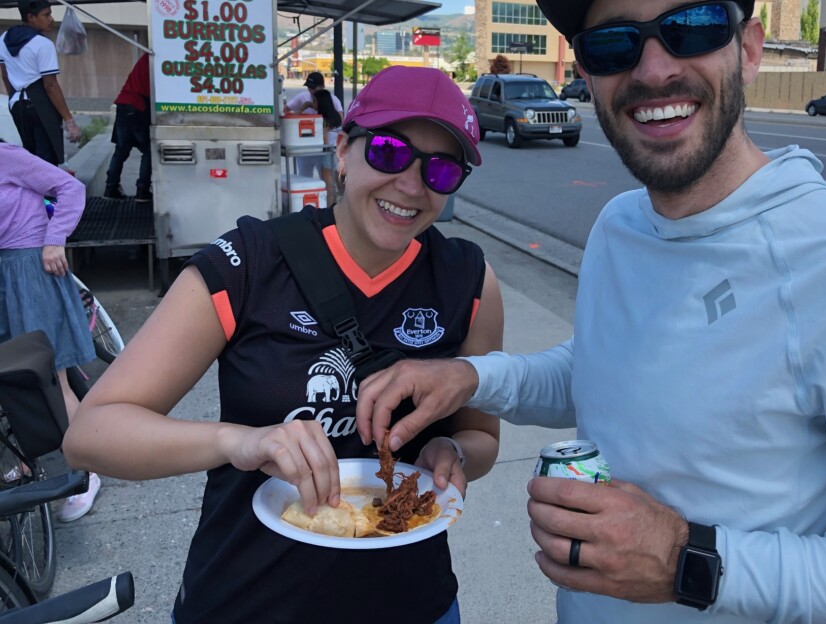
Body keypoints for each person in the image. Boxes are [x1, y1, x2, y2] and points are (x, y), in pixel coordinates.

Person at [355, 0, 826, 623]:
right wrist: (473, 378)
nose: (653, 69)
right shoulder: (620, 225)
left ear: (750, 49)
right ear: (587, 76)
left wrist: (688, 561)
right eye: (613, 44)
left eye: (694, 27)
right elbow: (609, 373)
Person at [63, 66, 503, 623]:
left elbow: (481, 436)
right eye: (389, 152)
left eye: (441, 169)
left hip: (414, 603)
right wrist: (237, 441)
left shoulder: (468, 281)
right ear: (342, 150)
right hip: (249, 601)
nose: (412, 186)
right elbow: (92, 434)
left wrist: (454, 453)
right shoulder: (249, 262)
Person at [0, 140, 101, 522]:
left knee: (53, 378)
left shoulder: (5, 157)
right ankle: (29, 461)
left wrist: (54, 238)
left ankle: (87, 471)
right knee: (10, 379)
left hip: (31, 270)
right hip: (4, 277)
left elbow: (69, 187)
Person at [0, 0, 80, 165]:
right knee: (46, 160)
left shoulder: (3, 39)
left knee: (29, 158)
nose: (51, 19)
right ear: (31, 17)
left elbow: (5, 76)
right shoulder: (43, 44)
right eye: (46, 15)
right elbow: (50, 85)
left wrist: (14, 99)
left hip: (17, 104)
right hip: (40, 105)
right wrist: (69, 120)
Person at [283, 71, 343, 194]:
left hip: (325, 148)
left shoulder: (331, 100)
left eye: (314, 87)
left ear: (323, 87)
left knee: (327, 179)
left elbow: (340, 120)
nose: (311, 91)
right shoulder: (302, 97)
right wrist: (301, 109)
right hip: (306, 147)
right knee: (305, 177)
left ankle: (331, 200)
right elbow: (286, 111)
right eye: (309, 87)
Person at [104, 53, 152, 202]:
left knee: (121, 149)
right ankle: (143, 190)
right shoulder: (158, 57)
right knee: (149, 151)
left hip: (123, 103)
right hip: (138, 105)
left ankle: (111, 188)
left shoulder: (147, 56)